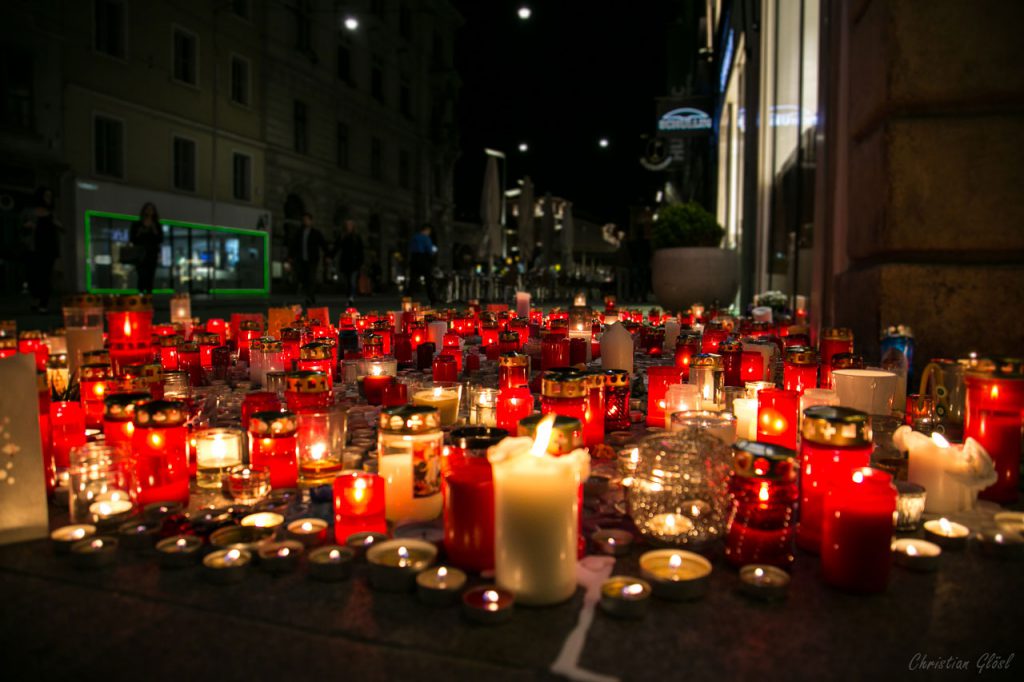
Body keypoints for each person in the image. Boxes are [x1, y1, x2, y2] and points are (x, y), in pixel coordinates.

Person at [22, 186, 61, 313]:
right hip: (35, 247)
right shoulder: (30, 212)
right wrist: (28, 226)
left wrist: (58, 225)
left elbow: (58, 228)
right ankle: (36, 300)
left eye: (50, 196)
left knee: (46, 276)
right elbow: (23, 227)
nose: (48, 199)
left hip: (48, 248)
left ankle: (43, 303)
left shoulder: (51, 213)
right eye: (46, 196)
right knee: (34, 275)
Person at [292, 212, 327, 305]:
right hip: (302, 259)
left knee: (311, 278)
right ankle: (310, 296)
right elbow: (294, 245)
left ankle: (309, 297)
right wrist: (290, 256)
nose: (305, 222)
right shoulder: (299, 233)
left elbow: (323, 244)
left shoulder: (315, 233)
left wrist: (328, 255)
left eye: (307, 220)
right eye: (304, 220)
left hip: (312, 259)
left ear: (311, 221)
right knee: (304, 278)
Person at [130, 202, 164, 294]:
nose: (149, 211)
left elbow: (160, 239)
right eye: (147, 209)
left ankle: (149, 298)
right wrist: (139, 232)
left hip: (152, 255)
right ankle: (141, 297)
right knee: (141, 276)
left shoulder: (156, 225)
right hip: (140, 254)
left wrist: (154, 230)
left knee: (150, 277)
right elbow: (132, 239)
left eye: (151, 209)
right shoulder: (137, 224)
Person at [406, 223, 437, 306]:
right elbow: (430, 250)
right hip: (423, 259)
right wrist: (433, 253)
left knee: (412, 280)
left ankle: (407, 299)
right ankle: (432, 299)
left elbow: (410, 248)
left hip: (414, 259)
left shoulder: (414, 237)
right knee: (428, 280)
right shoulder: (426, 238)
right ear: (426, 230)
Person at [336, 219, 364, 306]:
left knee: (352, 281)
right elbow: (337, 247)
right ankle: (349, 296)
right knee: (347, 281)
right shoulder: (343, 236)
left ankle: (351, 297)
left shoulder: (356, 237)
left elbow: (360, 251)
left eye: (350, 225)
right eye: (347, 225)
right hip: (345, 263)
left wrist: (360, 262)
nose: (349, 227)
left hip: (354, 263)